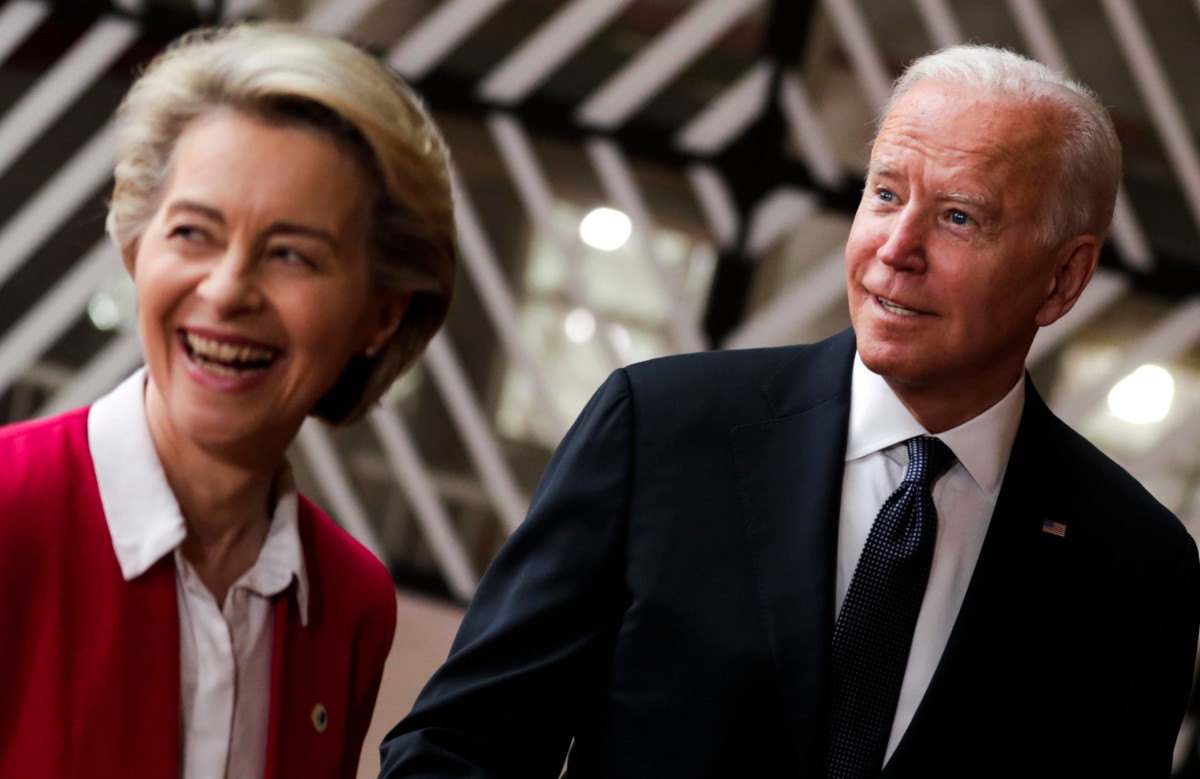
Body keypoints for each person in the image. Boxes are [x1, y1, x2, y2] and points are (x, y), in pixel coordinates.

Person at [379, 44, 1200, 778]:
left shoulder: (1137, 569)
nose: (895, 247)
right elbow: (457, 749)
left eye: (958, 216)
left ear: (1062, 279)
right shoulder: (659, 430)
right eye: (884, 193)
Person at [0, 22, 455, 778]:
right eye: (194, 233)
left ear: (383, 313)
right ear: (137, 246)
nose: (227, 290)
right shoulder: (9, 509)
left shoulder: (351, 602)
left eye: (292, 254)